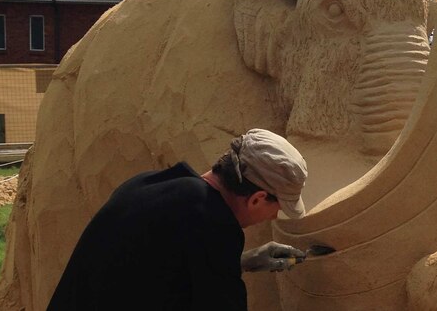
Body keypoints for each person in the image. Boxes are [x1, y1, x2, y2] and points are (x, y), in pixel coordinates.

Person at [47, 128, 309, 310]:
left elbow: (153, 272)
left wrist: (240, 263)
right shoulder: (214, 224)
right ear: (257, 199)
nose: (275, 216)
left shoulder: (147, 184)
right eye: (278, 207)